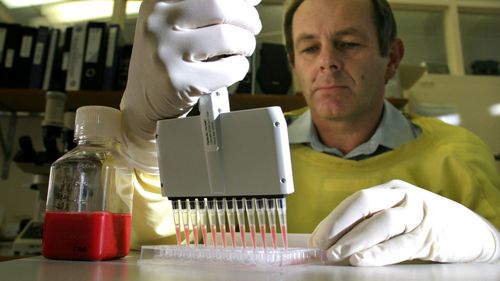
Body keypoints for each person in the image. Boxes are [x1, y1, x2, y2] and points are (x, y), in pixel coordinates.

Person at [119, 0, 500, 266]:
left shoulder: (455, 151)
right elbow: (162, 240)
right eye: (309, 48)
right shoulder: (247, 143)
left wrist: (489, 242)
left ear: (393, 58)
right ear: (293, 65)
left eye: (348, 44)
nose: (327, 62)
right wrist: (141, 140)